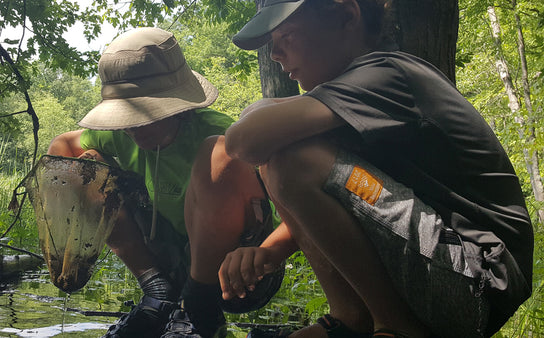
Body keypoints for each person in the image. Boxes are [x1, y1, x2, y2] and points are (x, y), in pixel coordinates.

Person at [218, 0, 534, 337]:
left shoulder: (386, 74)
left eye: (288, 35)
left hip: (478, 277)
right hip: (453, 269)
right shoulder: (352, 101)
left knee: (288, 157)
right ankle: (351, 320)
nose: (275, 53)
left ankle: (395, 328)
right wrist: (270, 251)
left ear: (347, 15)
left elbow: (243, 141)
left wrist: (264, 108)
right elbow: (353, 197)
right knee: (282, 151)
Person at [47, 27, 281, 338]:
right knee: (84, 164)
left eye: (145, 116)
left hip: (239, 276)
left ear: (178, 106)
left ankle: (197, 307)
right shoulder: (116, 136)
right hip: (167, 258)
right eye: (126, 118)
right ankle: (157, 294)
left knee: (219, 151)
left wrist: (267, 252)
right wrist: (71, 236)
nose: (133, 129)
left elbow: (296, 211)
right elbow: (62, 148)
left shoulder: (224, 133)